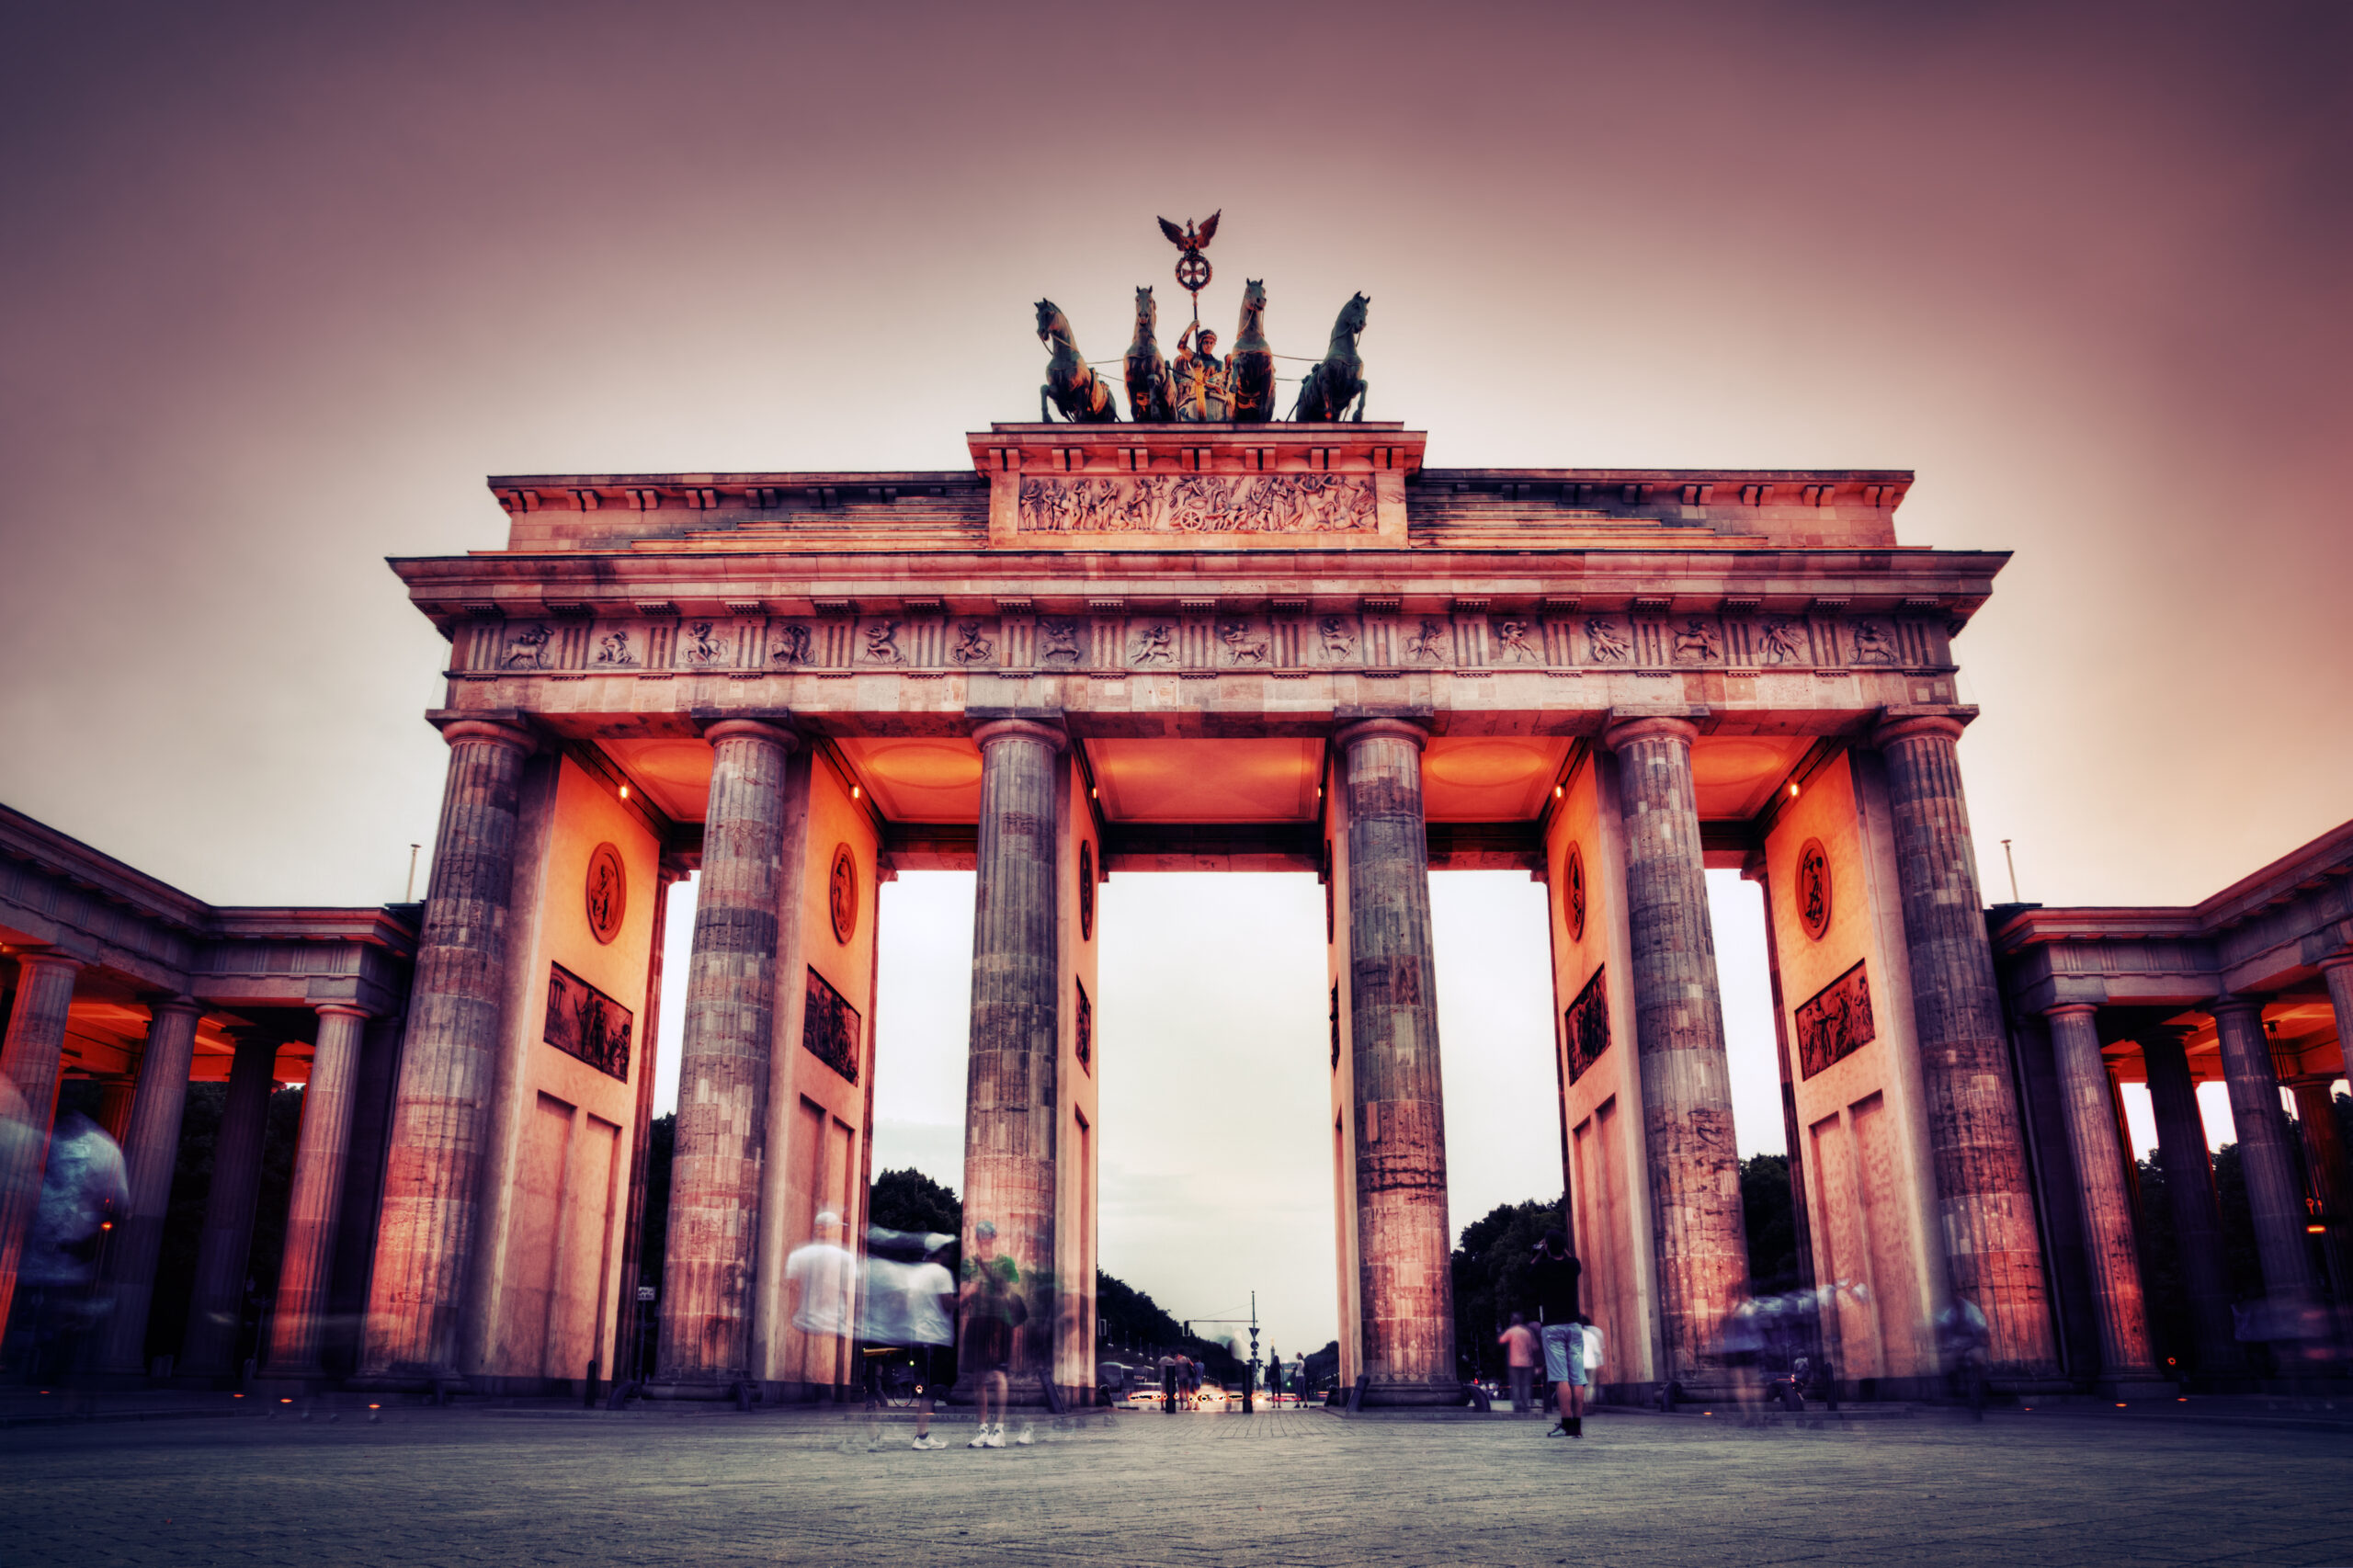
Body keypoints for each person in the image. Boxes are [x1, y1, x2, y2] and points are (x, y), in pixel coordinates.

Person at [961, 1221, 1029, 1448]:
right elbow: (963, 1296)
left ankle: (999, 1429)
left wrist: (987, 1289)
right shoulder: (969, 1263)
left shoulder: (1006, 1263)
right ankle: (982, 1430)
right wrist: (970, 1291)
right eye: (981, 1235)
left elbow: (1010, 1294)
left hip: (1000, 1322)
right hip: (977, 1321)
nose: (984, 1239)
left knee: (999, 1375)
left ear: (994, 1237)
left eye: (988, 1235)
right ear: (977, 1238)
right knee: (978, 1377)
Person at [1530, 1229, 1586, 1437]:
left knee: (1561, 1377)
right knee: (1577, 1377)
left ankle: (1567, 1423)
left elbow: (1530, 1270)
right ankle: (1578, 1427)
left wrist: (1543, 1251)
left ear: (1547, 1247)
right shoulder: (1573, 1266)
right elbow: (1572, 1259)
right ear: (1563, 1246)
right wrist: (1562, 1248)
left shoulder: (1543, 1267)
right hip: (1574, 1325)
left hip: (1553, 1327)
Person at [1498, 1312, 1540, 1415]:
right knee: (1526, 1385)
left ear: (1512, 1321)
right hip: (1528, 1363)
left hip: (1514, 1362)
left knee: (1516, 1385)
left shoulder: (1511, 1331)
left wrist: (1500, 1330)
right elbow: (1535, 1347)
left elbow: (1501, 1340)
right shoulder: (1527, 1332)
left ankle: (1517, 1406)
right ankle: (1525, 1406)